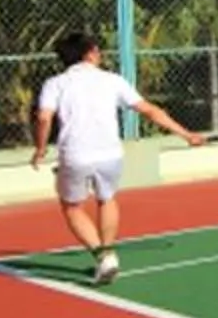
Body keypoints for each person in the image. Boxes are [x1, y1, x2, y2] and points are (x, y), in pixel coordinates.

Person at [31, 32, 205, 284]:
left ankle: (102, 256)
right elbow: (149, 110)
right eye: (98, 50)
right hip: (110, 154)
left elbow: (44, 118)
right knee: (107, 199)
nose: (100, 54)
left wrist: (40, 148)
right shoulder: (112, 80)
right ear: (89, 53)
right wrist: (187, 135)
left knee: (71, 207)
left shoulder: (55, 84)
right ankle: (108, 253)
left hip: (74, 155)